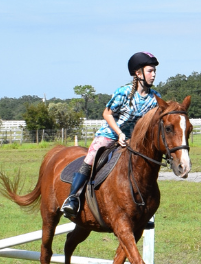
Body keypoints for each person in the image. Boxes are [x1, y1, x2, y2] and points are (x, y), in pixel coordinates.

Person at [62, 52, 161, 216]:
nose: (154, 74)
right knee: (91, 158)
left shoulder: (155, 97)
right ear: (138, 73)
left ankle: (143, 210)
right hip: (110, 135)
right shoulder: (123, 92)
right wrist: (120, 133)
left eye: (155, 71)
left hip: (134, 141)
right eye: (150, 71)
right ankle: (73, 198)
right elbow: (107, 114)